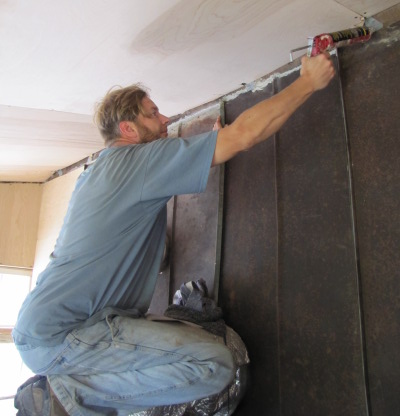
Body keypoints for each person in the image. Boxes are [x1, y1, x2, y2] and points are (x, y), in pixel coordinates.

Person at [13, 54, 335, 415]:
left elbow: (143, 221)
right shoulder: (139, 163)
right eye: (152, 113)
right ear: (128, 129)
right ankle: (67, 399)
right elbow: (244, 136)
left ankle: (75, 392)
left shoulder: (105, 171)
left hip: (48, 329)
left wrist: (210, 147)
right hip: (63, 335)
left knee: (170, 299)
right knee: (214, 365)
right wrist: (308, 82)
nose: (165, 120)